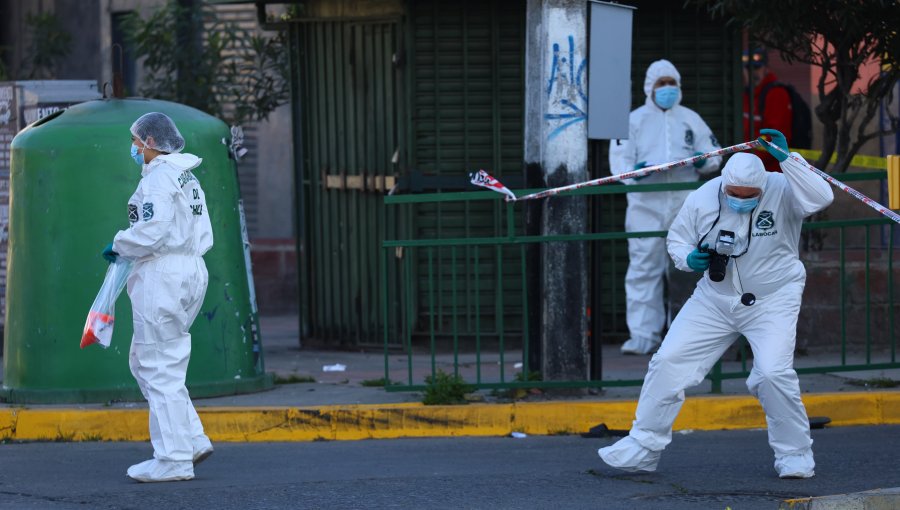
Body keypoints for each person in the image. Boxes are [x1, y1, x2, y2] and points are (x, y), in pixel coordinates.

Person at [598, 129, 834, 479]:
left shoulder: (784, 188)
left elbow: (822, 197)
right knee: (668, 361)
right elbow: (677, 238)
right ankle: (643, 447)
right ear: (724, 184)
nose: (740, 200)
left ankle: (795, 455)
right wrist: (687, 258)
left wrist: (790, 160)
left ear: (762, 188)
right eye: (734, 194)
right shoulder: (704, 196)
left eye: (749, 196)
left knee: (772, 374)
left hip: (773, 297)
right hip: (715, 297)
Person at [102, 112, 215, 483]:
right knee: (149, 360)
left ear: (151, 142)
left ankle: (173, 458)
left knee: (158, 364)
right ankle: (191, 439)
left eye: (136, 142)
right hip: (191, 270)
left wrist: (119, 244)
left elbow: (150, 232)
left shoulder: (159, 179)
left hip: (163, 273)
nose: (133, 148)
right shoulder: (186, 175)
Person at [609, 59, 723, 355]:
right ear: (649, 88)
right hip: (645, 204)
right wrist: (638, 171)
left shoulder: (690, 119)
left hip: (685, 203)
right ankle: (644, 336)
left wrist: (702, 160)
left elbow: (715, 153)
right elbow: (619, 164)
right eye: (661, 84)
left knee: (685, 266)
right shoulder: (632, 121)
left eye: (672, 83)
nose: (667, 89)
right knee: (644, 266)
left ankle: (685, 334)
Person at [743, 48, 792, 171]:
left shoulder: (776, 94)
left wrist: (751, 165)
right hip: (749, 169)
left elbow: (775, 136)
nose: (752, 73)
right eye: (748, 68)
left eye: (757, 68)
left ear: (766, 68)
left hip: (770, 172)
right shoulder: (746, 94)